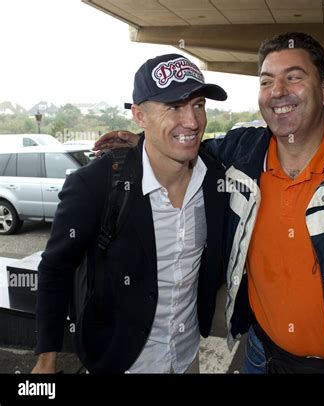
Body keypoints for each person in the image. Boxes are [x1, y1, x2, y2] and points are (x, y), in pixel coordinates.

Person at [94, 32, 324, 373]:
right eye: (266, 81)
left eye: (293, 77)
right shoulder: (239, 155)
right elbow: (184, 147)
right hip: (261, 356)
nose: (277, 92)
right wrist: (144, 142)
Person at [32, 53, 227, 374]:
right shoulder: (95, 184)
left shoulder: (216, 178)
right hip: (121, 360)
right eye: (174, 107)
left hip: (188, 354)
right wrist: (46, 360)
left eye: (199, 105)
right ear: (140, 115)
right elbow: (55, 268)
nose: (192, 121)